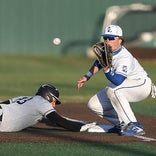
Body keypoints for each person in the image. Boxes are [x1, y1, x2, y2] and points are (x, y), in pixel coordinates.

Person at [77, 25, 155, 136]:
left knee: (113, 90)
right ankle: (121, 124)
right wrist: (87, 76)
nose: (108, 41)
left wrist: (106, 69)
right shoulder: (106, 50)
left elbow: (117, 81)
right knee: (94, 104)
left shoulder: (124, 58)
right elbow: (98, 62)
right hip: (126, 83)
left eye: (111, 38)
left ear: (120, 40)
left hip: (140, 85)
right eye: (105, 38)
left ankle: (134, 125)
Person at [0, 83, 95, 132]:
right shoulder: (42, 102)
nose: (54, 105)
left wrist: (82, 123)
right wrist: (78, 128)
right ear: (47, 96)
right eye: (54, 100)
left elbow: (4, 103)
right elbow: (59, 120)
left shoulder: (27, 97)